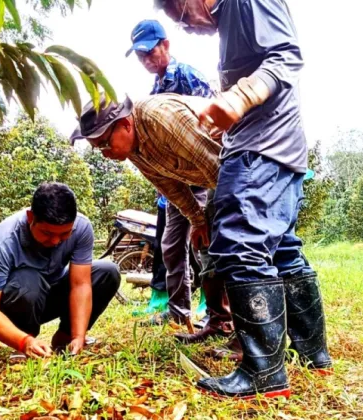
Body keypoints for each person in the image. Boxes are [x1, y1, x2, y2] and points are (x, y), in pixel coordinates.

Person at [154, 0, 333, 400]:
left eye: (182, 16)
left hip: (260, 150)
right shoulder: (232, 20)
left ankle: (264, 371)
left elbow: (287, 55)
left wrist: (240, 98)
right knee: (282, 248)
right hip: (281, 149)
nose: (188, 27)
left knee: (239, 246)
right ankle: (312, 353)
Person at [71, 93, 236, 339]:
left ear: (125, 124)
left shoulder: (162, 119)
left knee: (237, 248)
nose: (105, 154)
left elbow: (219, 167)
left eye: (105, 143)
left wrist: (236, 222)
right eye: (98, 149)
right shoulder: (133, 148)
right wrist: (198, 220)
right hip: (214, 176)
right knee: (207, 246)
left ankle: (254, 337)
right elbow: (169, 185)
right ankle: (220, 323)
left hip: (238, 168)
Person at [125, 19, 231, 340]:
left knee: (210, 242)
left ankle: (217, 314)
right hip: (176, 182)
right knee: (171, 246)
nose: (146, 60)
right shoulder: (153, 91)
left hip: (206, 172)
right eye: (140, 56)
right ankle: (178, 312)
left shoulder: (187, 76)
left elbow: (213, 126)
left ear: (166, 45)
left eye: (149, 52)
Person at [0, 182, 121, 358]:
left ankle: (65, 339)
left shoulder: (81, 227)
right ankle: (27, 342)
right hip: (20, 299)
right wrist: (24, 341)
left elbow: (80, 284)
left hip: (53, 294)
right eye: (47, 233)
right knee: (28, 280)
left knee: (107, 271)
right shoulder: (0, 243)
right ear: (31, 218)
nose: (55, 241)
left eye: (64, 234)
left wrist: (78, 335)